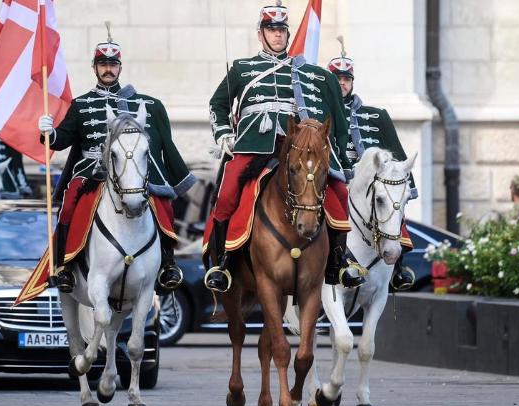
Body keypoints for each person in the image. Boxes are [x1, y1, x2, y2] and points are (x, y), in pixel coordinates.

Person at [205, 0, 365, 293]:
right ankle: (223, 263)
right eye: (271, 29)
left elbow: (337, 120)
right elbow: (218, 105)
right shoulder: (243, 69)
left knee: (338, 190)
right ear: (261, 33)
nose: (278, 35)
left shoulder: (305, 72)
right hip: (255, 145)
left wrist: (338, 154)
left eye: (281, 30)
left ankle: (340, 259)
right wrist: (225, 135)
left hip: (297, 148)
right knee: (227, 193)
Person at [37, 25, 196, 293]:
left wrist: (173, 177)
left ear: (120, 67)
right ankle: (65, 266)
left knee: (162, 204)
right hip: (92, 172)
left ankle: (168, 263)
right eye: (102, 64)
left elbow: (162, 143)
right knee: (69, 206)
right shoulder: (81, 105)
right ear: (94, 68)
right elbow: (62, 140)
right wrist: (48, 132)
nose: (107, 69)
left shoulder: (145, 104)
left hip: (128, 171)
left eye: (112, 64)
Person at [327, 39, 416, 290]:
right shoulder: (323, 114)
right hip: (339, 178)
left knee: (392, 204)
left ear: (352, 81)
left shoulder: (377, 115)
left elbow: (397, 151)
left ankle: (398, 268)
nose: (342, 83)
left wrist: (407, 185)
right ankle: (335, 262)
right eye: (337, 78)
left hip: (375, 180)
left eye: (346, 79)